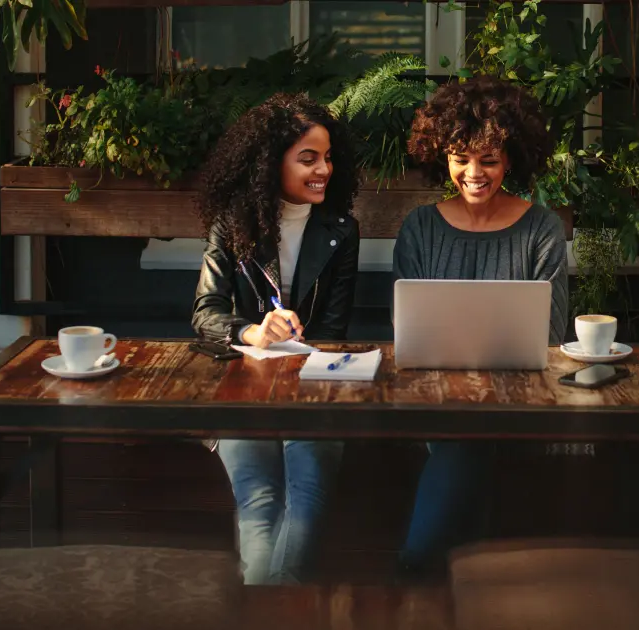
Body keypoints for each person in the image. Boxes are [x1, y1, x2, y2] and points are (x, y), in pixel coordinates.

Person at [393, 76, 569, 577]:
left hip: (520, 401)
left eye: (489, 160)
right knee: (465, 434)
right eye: (460, 159)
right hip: (435, 401)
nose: (474, 174)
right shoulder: (420, 228)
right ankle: (463, 581)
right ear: (441, 156)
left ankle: (418, 572)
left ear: (511, 158)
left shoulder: (541, 228)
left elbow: (550, 335)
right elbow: (409, 327)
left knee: (469, 436)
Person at [191, 92, 361, 584]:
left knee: (306, 496)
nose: (323, 169)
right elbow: (206, 313)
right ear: (270, 165)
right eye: (308, 158)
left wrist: (301, 353)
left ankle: (260, 607)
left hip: (314, 390)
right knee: (259, 499)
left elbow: (331, 333)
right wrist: (251, 331)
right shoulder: (232, 225)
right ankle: (270, 607)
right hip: (240, 388)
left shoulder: (341, 231)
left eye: (328, 158)